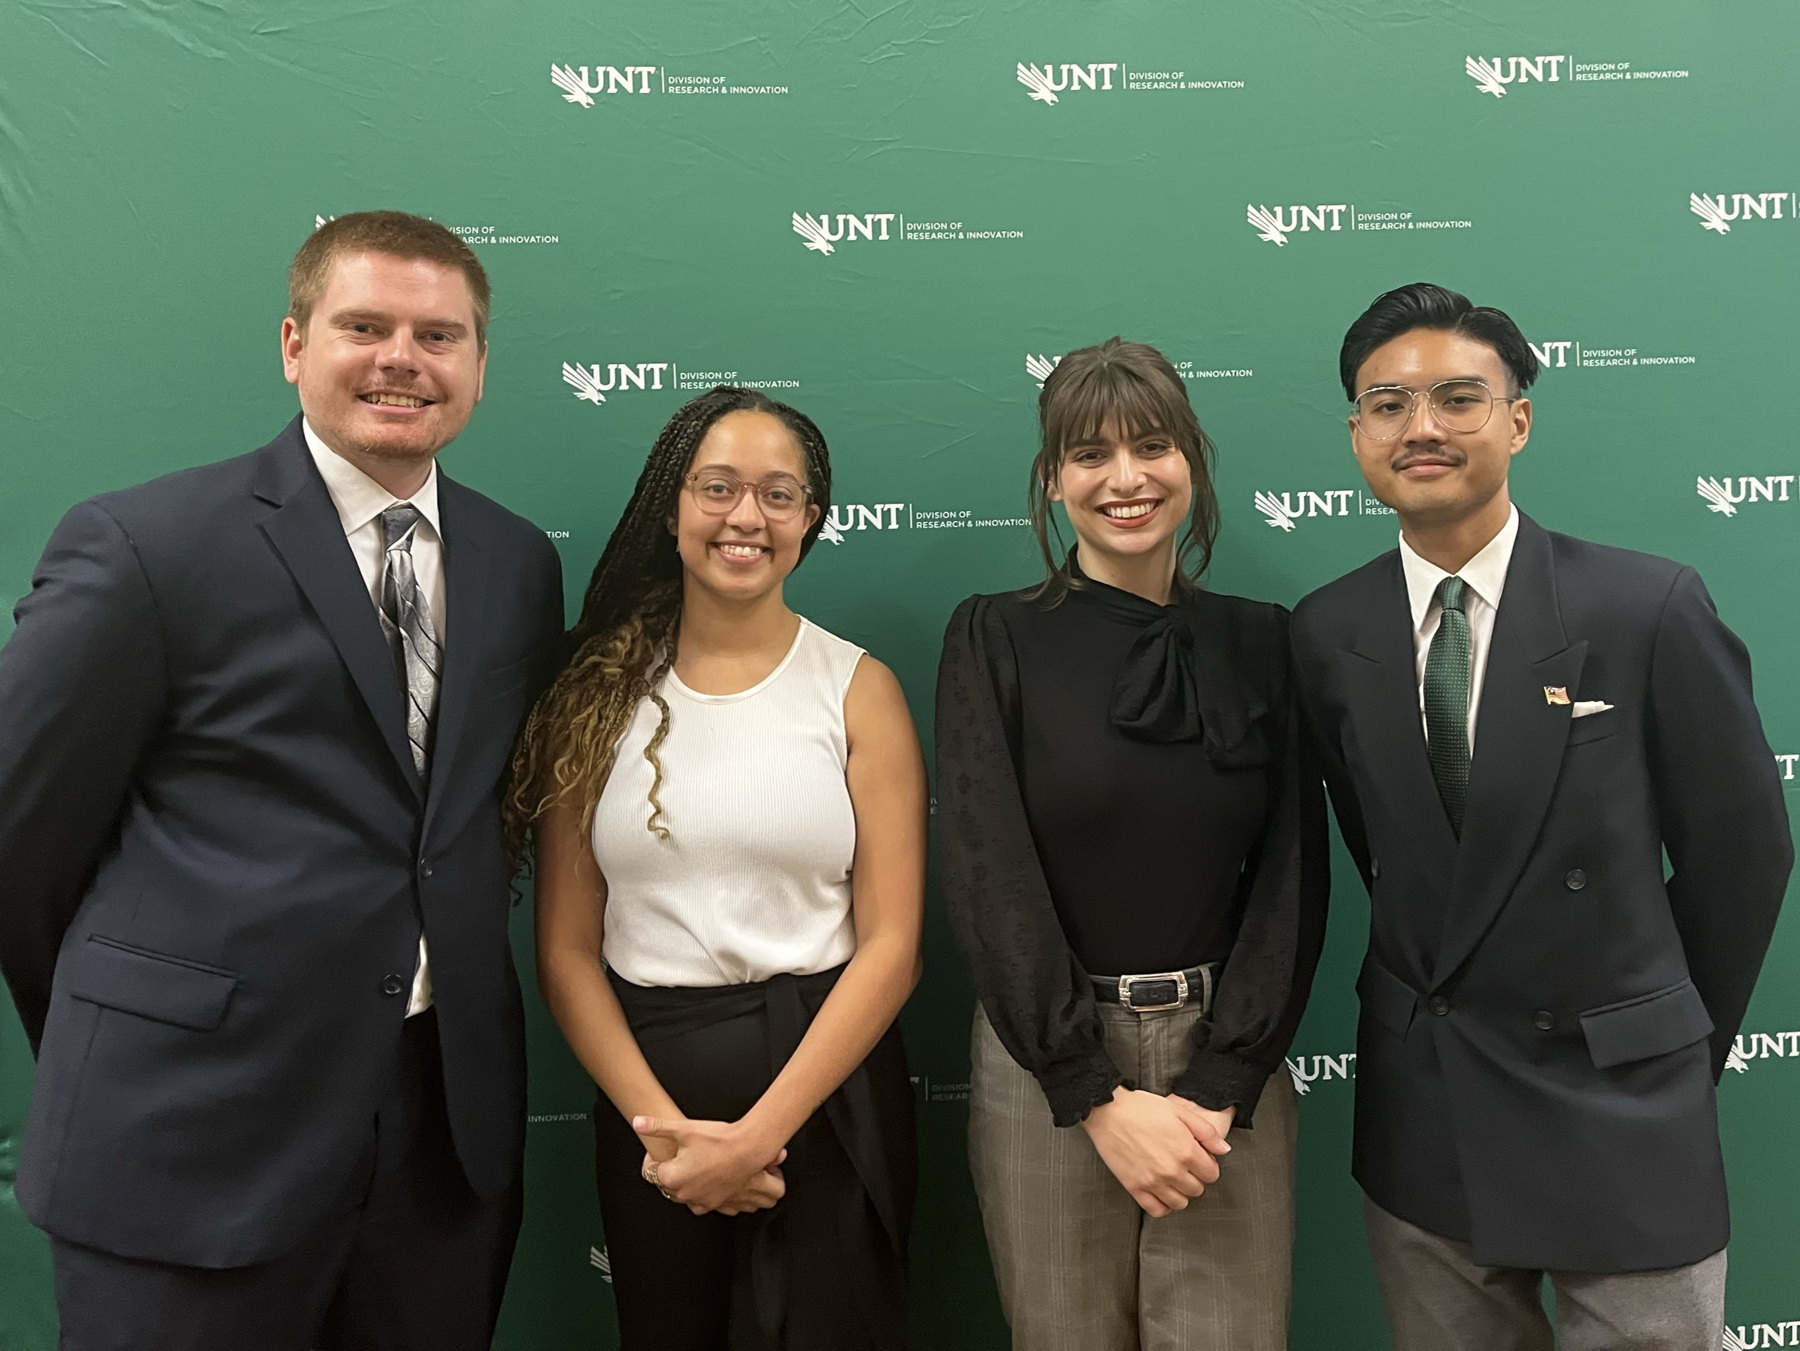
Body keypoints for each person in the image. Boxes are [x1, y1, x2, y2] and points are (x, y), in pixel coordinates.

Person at [0, 211, 565, 1348]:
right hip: (186, 1136)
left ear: (479, 365)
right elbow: (22, 842)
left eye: (439, 335)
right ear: (294, 344)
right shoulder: (145, 546)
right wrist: (133, 1026)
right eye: (366, 326)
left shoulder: (517, 562)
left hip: (437, 1147)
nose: (403, 359)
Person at [1290, 282, 1791, 1351]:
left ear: (1517, 419)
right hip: (1429, 1100)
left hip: (1625, 1098)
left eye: (1458, 398)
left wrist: (1662, 1039)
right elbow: (1393, 857)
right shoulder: (1328, 633)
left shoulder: (1645, 606)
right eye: (1388, 404)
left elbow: (1743, 854)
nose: (1422, 426)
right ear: (1357, 434)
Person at [509, 385, 924, 1350]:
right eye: (719, 487)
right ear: (673, 508)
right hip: (654, 1119)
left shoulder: (859, 689)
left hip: (829, 1106)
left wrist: (757, 1136)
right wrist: (668, 1138)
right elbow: (566, 953)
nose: (747, 516)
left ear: (811, 519)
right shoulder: (591, 699)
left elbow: (894, 945)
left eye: (778, 494)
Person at [935, 338, 1329, 1351]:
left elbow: (1291, 877)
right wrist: (1092, 1092)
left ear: (1190, 459)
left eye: (1152, 445)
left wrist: (1223, 1080)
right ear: (1051, 478)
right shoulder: (992, 637)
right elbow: (988, 870)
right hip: (1047, 1069)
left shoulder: (1264, 639)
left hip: (1227, 1067)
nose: (1125, 478)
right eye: (1090, 453)